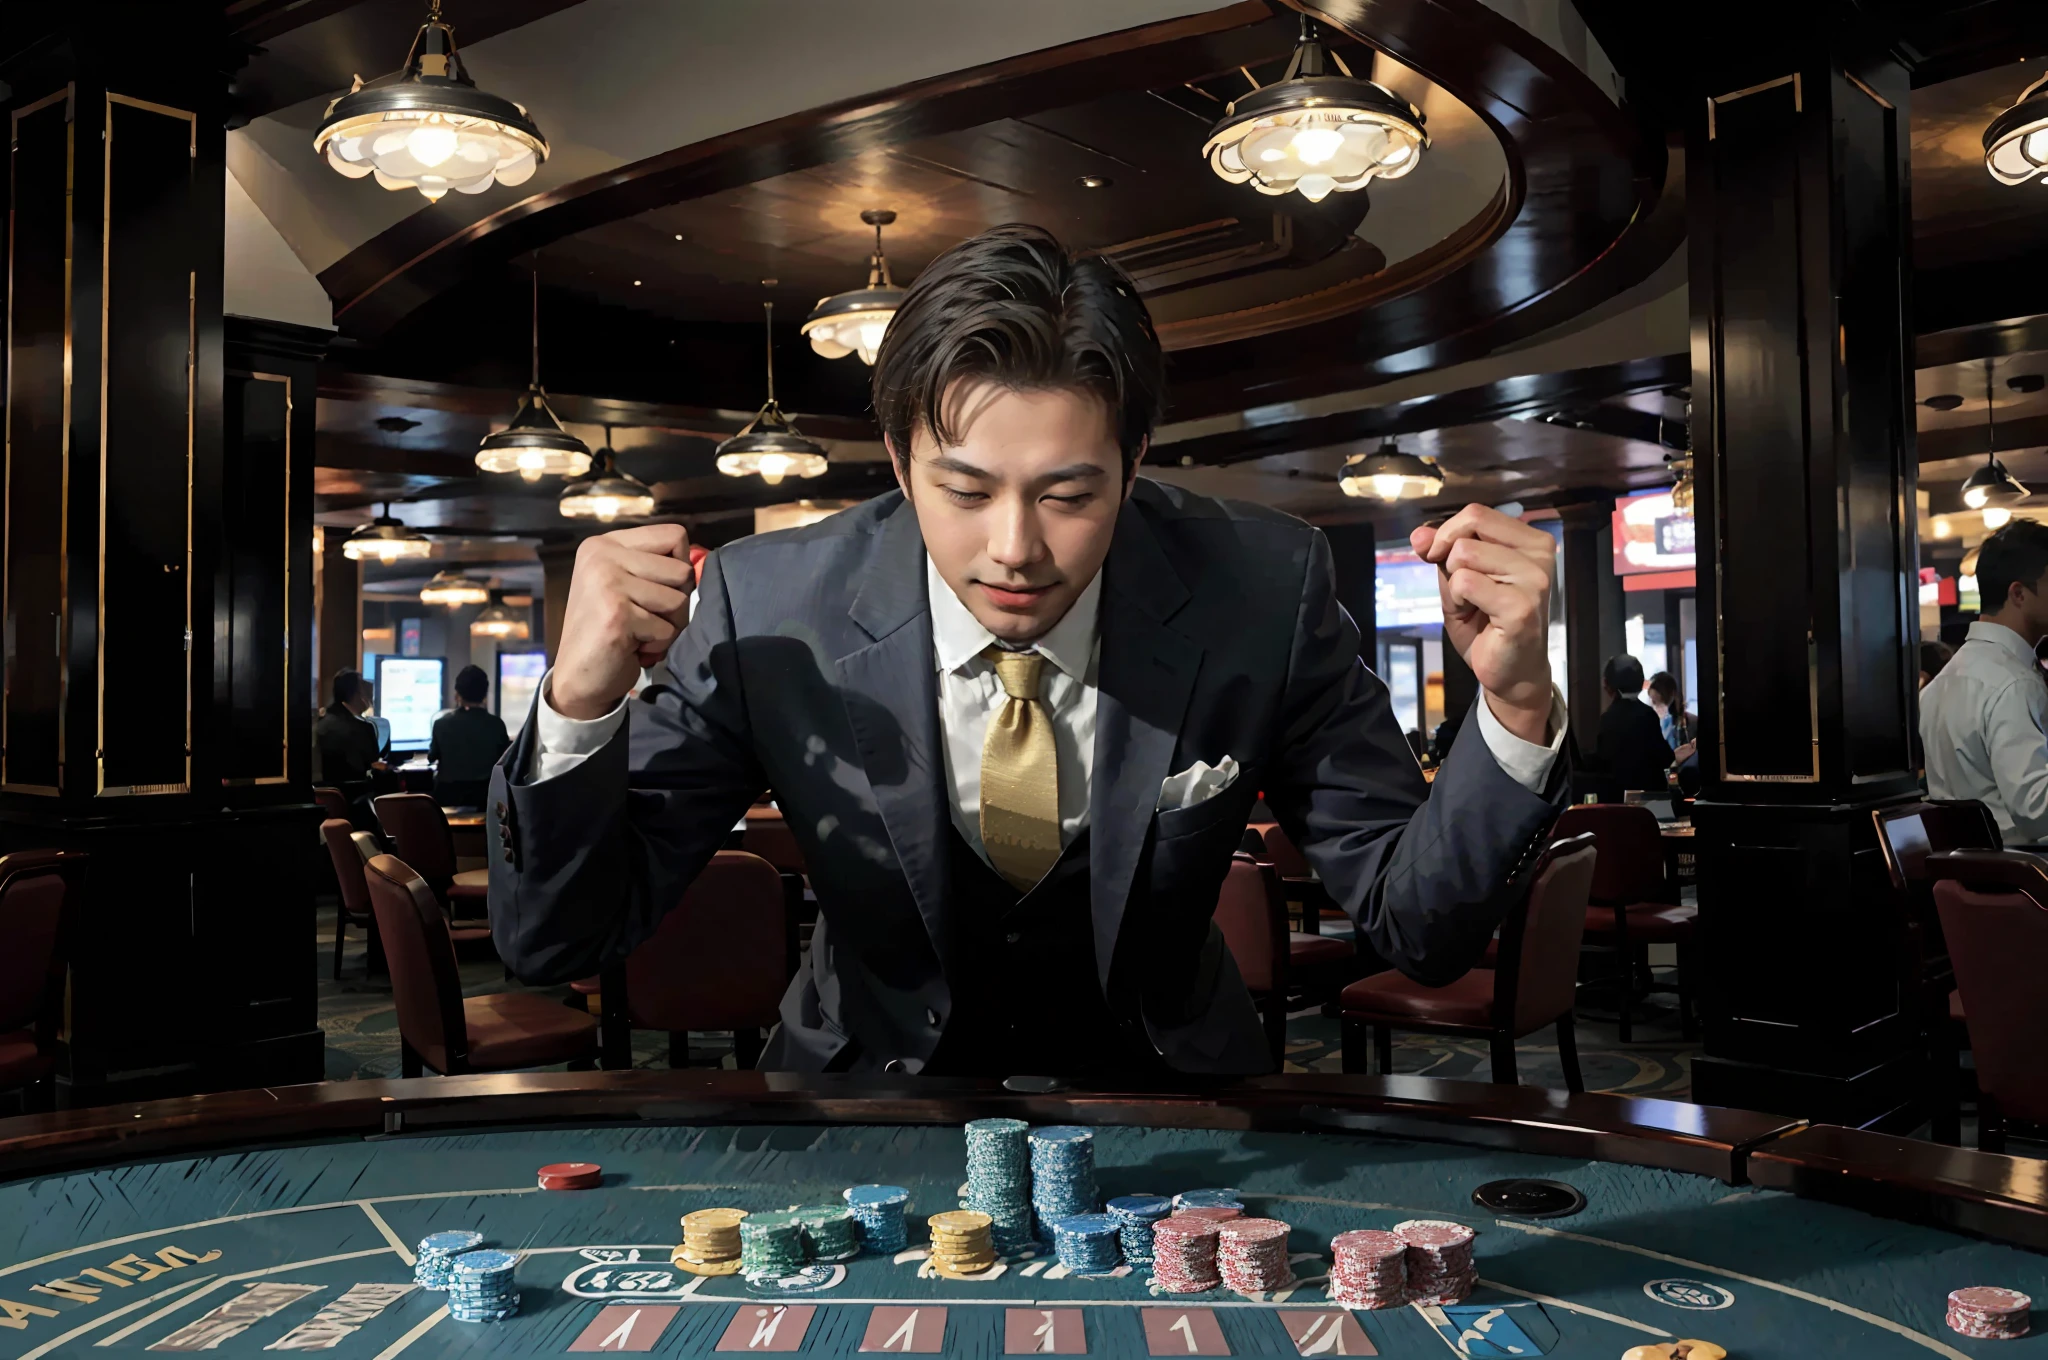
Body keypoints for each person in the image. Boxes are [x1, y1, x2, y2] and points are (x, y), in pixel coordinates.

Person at [488, 224, 1569, 1078]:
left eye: (1068, 493)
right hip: (870, 1091)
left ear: (1133, 460)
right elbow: (558, 942)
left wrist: (1516, 710)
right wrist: (579, 702)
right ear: (901, 462)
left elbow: (1413, 925)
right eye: (962, 489)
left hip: (1170, 1094)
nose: (1013, 549)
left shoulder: (1261, 589)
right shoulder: (765, 604)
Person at [1920, 520, 2048, 843]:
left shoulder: (1942, 682)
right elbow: (2036, 811)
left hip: (1964, 876)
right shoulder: (2014, 683)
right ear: (2019, 593)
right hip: (2023, 878)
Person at [430, 664, 511, 810]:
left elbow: (432, 756)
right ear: (484, 694)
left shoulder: (441, 724)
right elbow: (506, 761)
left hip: (448, 799)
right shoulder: (496, 725)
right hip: (486, 800)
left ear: (457, 694)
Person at [1594, 655, 1672, 793]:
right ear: (1641, 682)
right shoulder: (1648, 715)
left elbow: (1603, 762)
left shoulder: (1607, 719)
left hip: (1617, 803)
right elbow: (1665, 757)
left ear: (1607, 684)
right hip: (1651, 803)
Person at [1646, 671, 1695, 750]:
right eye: (1652, 700)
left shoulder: (1688, 723)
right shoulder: (1650, 720)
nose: (1653, 706)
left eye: (1657, 703)